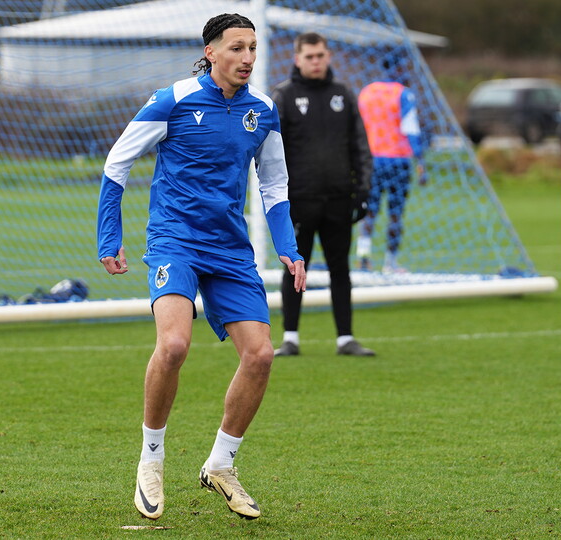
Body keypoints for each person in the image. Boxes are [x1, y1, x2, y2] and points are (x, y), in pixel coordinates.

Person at [96, 13, 306, 521]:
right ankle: (151, 460)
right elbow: (116, 164)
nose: (248, 58)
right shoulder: (173, 99)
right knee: (172, 345)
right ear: (211, 52)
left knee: (260, 356)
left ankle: (220, 465)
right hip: (176, 241)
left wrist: (289, 247)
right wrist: (109, 237)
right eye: (237, 48)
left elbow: (274, 187)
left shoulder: (264, 111)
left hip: (230, 249)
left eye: (253, 48)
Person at [270, 32, 375, 357]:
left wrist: (363, 189)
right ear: (297, 59)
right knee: (295, 266)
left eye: (320, 55)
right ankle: (290, 338)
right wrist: (280, 199)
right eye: (309, 56)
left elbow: (360, 146)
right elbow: (272, 153)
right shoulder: (284, 96)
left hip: (339, 199)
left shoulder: (343, 94)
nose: (316, 61)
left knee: (340, 267)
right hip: (300, 201)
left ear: (328, 57)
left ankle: (345, 338)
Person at [355, 55, 428, 273]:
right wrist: (421, 161)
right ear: (399, 68)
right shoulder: (403, 94)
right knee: (395, 213)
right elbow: (411, 128)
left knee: (369, 212)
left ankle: (363, 259)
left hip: (372, 160)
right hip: (398, 160)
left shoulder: (366, 92)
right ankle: (390, 263)